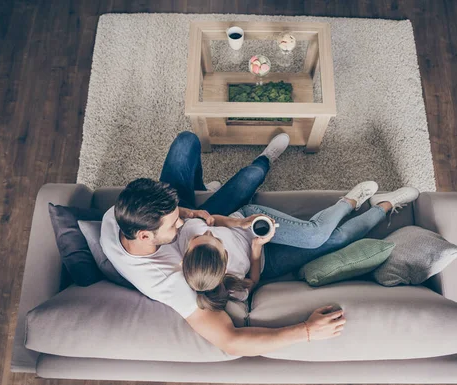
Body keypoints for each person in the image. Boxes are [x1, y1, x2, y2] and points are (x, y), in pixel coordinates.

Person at [101, 131, 345, 356]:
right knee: (250, 178)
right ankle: (264, 160)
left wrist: (188, 213)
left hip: (199, 227)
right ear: (145, 236)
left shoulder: (117, 216)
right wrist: (307, 331)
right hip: (205, 236)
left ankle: (201, 189)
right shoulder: (168, 281)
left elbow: (180, 220)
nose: (180, 223)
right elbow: (230, 341)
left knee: (186, 141)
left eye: (177, 218)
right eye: (174, 222)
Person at [180, 185, 420, 311]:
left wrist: (239, 223)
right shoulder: (221, 287)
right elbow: (252, 282)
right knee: (336, 240)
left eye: (205, 236)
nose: (209, 232)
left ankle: (349, 202)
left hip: (248, 223)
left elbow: (215, 220)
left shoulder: (191, 233)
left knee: (314, 235)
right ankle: (384, 206)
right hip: (264, 258)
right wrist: (255, 251)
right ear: (224, 261)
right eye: (216, 240)